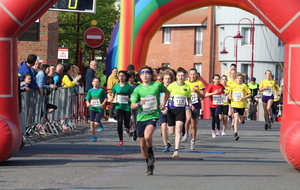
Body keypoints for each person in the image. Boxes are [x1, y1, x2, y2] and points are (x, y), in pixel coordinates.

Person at [130, 65, 169, 176]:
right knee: (142, 146)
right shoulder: (137, 89)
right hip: (141, 117)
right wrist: (139, 103)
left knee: (148, 136)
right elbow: (132, 105)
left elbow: (167, 92)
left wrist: (163, 103)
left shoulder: (156, 86)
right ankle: (149, 163)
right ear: (140, 76)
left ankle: (150, 150)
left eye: (147, 73)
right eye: (142, 73)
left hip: (153, 115)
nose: (145, 75)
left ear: (151, 75)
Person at [167, 67, 191, 157]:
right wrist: (164, 105)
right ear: (176, 76)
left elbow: (188, 98)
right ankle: (165, 130)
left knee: (179, 129)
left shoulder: (187, 87)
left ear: (185, 76)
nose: (181, 77)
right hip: (171, 110)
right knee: (171, 131)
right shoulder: (172, 85)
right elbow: (166, 95)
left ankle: (176, 150)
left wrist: (190, 104)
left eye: (182, 76)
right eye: (179, 75)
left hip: (181, 110)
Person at [183, 68, 205, 150]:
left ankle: (193, 141)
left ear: (196, 74)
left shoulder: (200, 83)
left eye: (194, 74)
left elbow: (203, 96)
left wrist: (197, 92)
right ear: (189, 75)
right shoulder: (185, 83)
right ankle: (185, 133)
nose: (192, 76)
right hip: (187, 103)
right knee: (188, 119)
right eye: (191, 74)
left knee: (193, 123)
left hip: (196, 104)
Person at [111, 71, 133, 146]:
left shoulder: (129, 87)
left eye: (123, 76)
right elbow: (113, 95)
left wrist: (130, 99)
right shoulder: (116, 86)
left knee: (126, 124)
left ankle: (129, 125)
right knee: (119, 123)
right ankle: (121, 140)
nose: (121, 77)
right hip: (119, 107)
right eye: (120, 76)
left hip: (127, 107)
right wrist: (111, 98)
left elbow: (133, 96)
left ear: (125, 77)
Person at [228, 73, 251, 140]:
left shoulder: (244, 86)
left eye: (240, 78)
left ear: (242, 79)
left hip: (242, 104)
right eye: (238, 78)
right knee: (235, 118)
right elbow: (230, 93)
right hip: (235, 104)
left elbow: (249, 94)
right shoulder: (232, 86)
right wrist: (229, 97)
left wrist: (244, 97)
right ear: (235, 79)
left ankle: (242, 119)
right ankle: (236, 133)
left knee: (240, 120)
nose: (239, 79)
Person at [85, 77, 107, 142]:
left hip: (98, 108)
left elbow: (105, 98)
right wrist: (87, 103)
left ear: (99, 83)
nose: (95, 83)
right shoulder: (90, 91)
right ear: (92, 83)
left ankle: (100, 124)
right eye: (94, 81)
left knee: (96, 123)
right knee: (91, 123)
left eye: (97, 82)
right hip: (92, 108)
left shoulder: (101, 90)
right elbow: (87, 99)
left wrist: (103, 104)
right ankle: (94, 136)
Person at [159, 69, 174, 152]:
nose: (167, 80)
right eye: (166, 79)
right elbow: (157, 99)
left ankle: (166, 136)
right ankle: (166, 145)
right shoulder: (159, 88)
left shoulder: (173, 88)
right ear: (163, 80)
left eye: (169, 79)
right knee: (163, 127)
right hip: (162, 111)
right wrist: (161, 107)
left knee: (171, 131)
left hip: (172, 111)